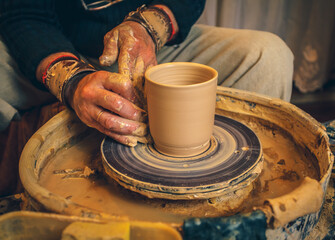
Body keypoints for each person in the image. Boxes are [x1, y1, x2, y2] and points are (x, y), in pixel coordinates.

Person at [0, 0, 294, 196]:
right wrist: (72, 82)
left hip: (145, 45)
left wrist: (146, 28)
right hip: (53, 44)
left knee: (268, 56)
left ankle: (230, 190)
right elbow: (23, 15)